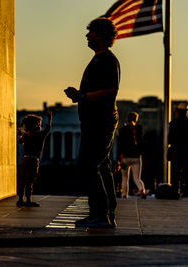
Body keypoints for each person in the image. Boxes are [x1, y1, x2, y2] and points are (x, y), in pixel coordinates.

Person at [64, 17, 119, 228]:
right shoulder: (98, 59)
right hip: (93, 121)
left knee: (88, 166)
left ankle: (100, 215)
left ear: (101, 35)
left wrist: (83, 97)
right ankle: (105, 214)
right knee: (102, 167)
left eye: (91, 32)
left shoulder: (108, 60)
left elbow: (110, 91)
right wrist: (79, 96)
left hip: (101, 122)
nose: (87, 36)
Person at [17, 111, 52, 207]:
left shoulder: (27, 134)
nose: (40, 125)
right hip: (33, 160)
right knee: (30, 180)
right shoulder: (39, 135)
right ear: (36, 125)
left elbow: (20, 141)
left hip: (24, 159)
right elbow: (48, 129)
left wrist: (20, 134)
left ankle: (20, 200)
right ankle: (28, 200)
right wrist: (50, 118)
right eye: (39, 123)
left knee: (22, 180)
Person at [168, 103, 188, 198]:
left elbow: (169, 139)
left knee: (175, 174)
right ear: (187, 112)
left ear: (178, 112)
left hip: (176, 152)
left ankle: (175, 192)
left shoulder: (173, 123)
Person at [118, 112, 146, 199]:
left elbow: (120, 145)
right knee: (137, 177)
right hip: (136, 157)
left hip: (125, 158)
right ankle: (142, 190)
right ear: (136, 119)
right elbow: (141, 142)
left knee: (124, 177)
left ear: (127, 119)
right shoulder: (139, 128)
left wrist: (120, 157)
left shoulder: (122, 130)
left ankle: (124, 195)